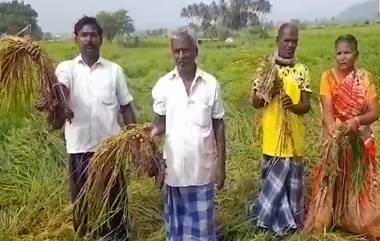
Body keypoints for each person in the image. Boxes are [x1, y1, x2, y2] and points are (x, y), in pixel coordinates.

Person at [48, 16, 136, 240]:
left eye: (93, 35)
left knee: (114, 203)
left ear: (101, 40)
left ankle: (117, 236)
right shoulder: (67, 68)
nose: (89, 39)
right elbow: (61, 90)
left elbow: (126, 107)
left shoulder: (114, 70)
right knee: (83, 206)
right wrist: (61, 102)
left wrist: (136, 138)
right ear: (76, 39)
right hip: (80, 151)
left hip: (110, 152)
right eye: (84, 35)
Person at [150, 29, 226, 241]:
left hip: (202, 171)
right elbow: (159, 124)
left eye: (186, 50)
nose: (181, 56)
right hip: (174, 171)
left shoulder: (210, 84)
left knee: (202, 231)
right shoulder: (163, 85)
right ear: (172, 53)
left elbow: (219, 125)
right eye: (177, 51)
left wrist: (221, 166)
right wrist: (146, 140)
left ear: (196, 51)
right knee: (178, 230)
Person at [305, 34, 380, 239]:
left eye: (347, 53)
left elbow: (374, 112)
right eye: (338, 53)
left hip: (358, 140)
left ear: (356, 55)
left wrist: (356, 122)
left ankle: (352, 218)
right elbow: (328, 110)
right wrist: (334, 130)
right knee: (328, 182)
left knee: (361, 189)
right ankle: (329, 218)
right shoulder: (327, 77)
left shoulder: (365, 79)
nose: (342, 57)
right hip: (335, 139)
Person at [249, 23, 312, 235]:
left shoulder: (302, 71)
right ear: (278, 40)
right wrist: (269, 92)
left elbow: (306, 106)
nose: (290, 45)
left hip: (294, 141)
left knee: (292, 188)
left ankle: (289, 225)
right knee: (273, 187)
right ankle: (266, 224)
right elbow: (255, 102)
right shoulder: (266, 69)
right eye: (286, 40)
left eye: (294, 41)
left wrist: (293, 106)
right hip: (272, 139)